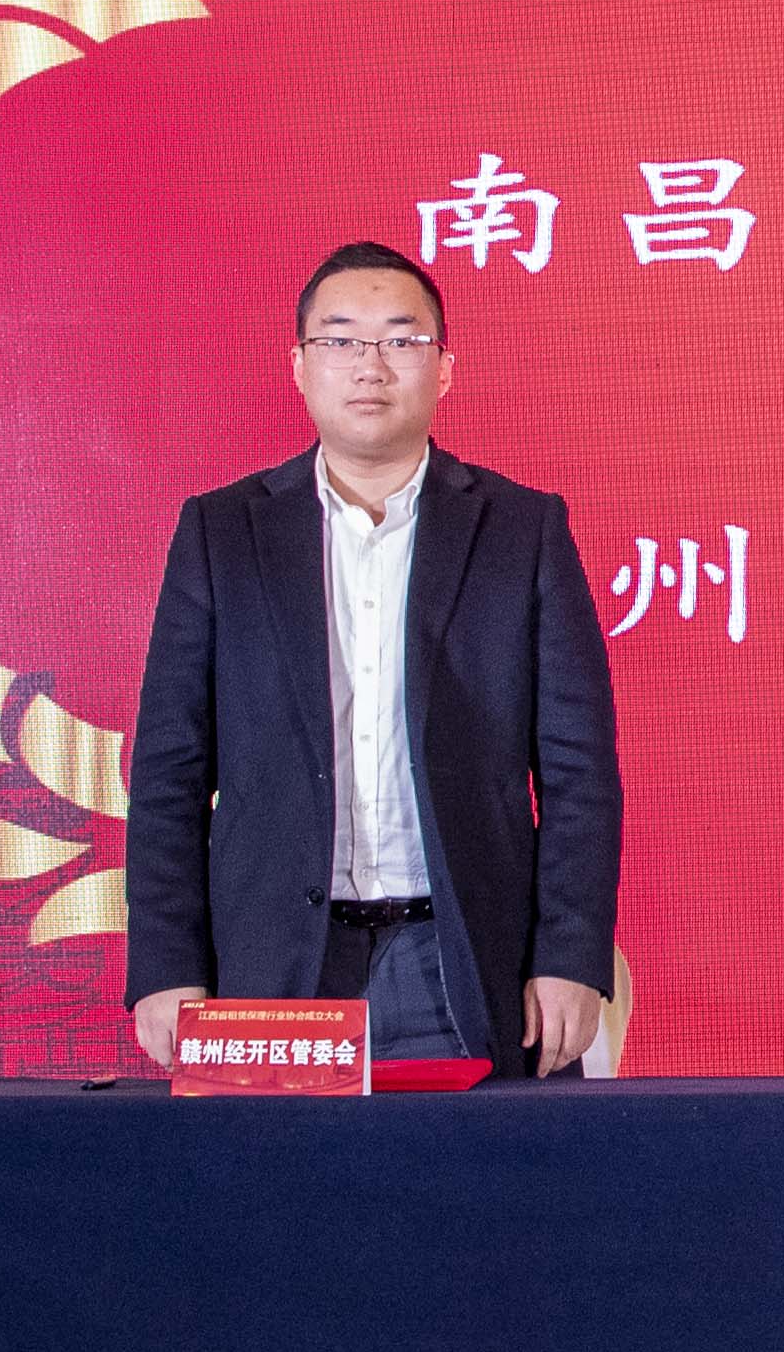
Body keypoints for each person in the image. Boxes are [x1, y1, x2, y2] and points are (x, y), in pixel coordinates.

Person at [126, 241, 620, 1079]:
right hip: (274, 967)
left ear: (444, 368)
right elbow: (169, 770)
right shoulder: (223, 532)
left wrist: (570, 954)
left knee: (485, 1167)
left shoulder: (521, 530)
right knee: (275, 1172)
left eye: (401, 339)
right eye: (341, 339)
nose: (370, 365)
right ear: (300, 366)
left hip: (461, 958)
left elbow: (580, 771)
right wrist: (167, 964)